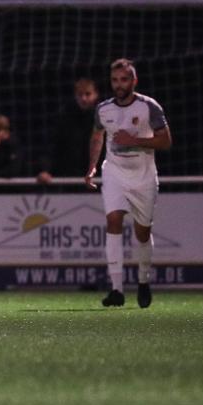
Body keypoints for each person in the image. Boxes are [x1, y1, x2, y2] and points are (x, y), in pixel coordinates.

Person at [86, 59, 172, 308]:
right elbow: (96, 135)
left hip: (143, 176)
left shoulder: (149, 107)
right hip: (113, 173)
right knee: (113, 220)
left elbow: (166, 141)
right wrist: (92, 166)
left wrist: (134, 141)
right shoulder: (103, 109)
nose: (119, 85)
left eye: (124, 80)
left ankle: (143, 281)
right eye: (115, 80)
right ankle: (116, 289)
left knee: (142, 231)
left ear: (134, 81)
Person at [37, 78, 100, 184]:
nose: (83, 98)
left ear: (96, 95)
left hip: (98, 179)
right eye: (80, 95)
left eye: (88, 94)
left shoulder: (104, 118)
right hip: (69, 178)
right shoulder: (64, 118)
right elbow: (53, 146)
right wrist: (46, 170)